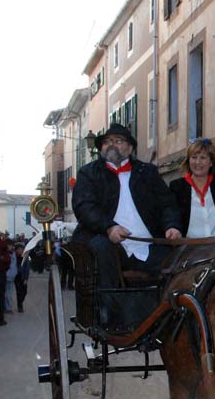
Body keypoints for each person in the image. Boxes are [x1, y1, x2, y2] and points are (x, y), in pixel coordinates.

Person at [72, 123, 182, 328]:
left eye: (118, 140)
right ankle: (111, 316)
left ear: (130, 148)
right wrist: (109, 227)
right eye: (107, 141)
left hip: (148, 245)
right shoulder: (88, 173)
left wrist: (172, 226)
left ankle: (168, 318)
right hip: (109, 243)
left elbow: (167, 204)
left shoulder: (147, 172)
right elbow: (84, 206)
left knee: (178, 262)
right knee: (101, 248)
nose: (111, 144)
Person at [14, 242, 30, 312]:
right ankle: (20, 306)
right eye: (18, 249)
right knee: (18, 291)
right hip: (16, 276)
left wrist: (26, 278)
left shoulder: (25, 257)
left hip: (23, 276)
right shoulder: (14, 257)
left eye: (21, 249)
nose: (20, 250)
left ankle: (20, 302)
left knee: (24, 291)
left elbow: (27, 268)